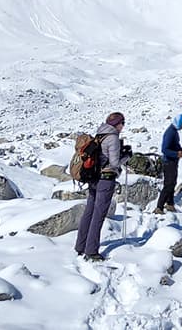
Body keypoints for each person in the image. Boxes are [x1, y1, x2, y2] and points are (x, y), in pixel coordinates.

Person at [74, 111, 125, 261]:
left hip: (94, 178)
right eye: (123, 123)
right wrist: (126, 156)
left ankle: (80, 246)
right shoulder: (113, 138)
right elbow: (114, 163)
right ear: (117, 124)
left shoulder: (99, 135)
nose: (123, 126)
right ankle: (91, 251)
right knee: (99, 214)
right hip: (106, 179)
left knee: (89, 212)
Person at [154, 113, 182, 214]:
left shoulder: (174, 131)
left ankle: (170, 204)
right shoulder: (170, 132)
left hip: (172, 162)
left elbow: (173, 146)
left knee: (172, 183)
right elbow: (164, 149)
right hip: (169, 162)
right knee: (168, 184)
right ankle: (159, 207)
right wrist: (176, 154)